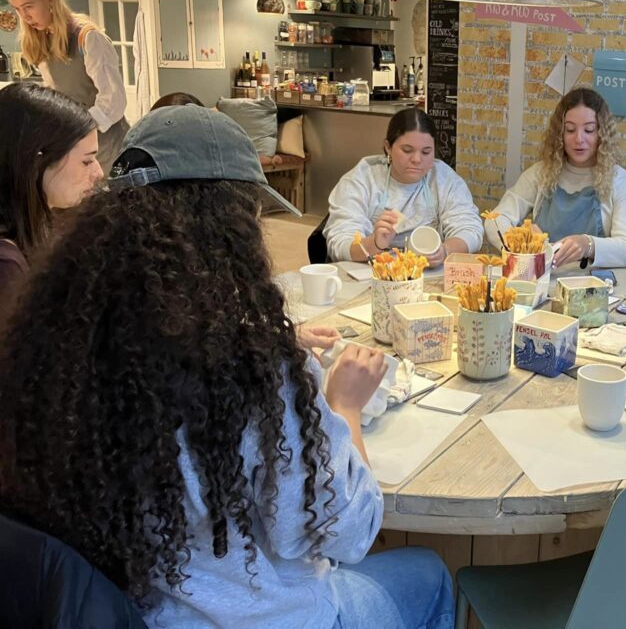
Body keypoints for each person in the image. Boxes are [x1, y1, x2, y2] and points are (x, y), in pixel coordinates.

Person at [0, 105, 454, 628]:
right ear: (231, 226)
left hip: (144, 614)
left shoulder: (60, 340)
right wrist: (344, 407)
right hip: (262, 618)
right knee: (429, 572)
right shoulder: (250, 367)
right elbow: (347, 533)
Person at [484, 87, 626, 268]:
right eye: (570, 130)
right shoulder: (541, 174)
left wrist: (587, 245)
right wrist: (519, 240)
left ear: (602, 134)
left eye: (589, 130)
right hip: (543, 279)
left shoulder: (622, 182)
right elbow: (494, 220)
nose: (579, 139)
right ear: (560, 133)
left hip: (594, 285)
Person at [4, 0, 129, 172]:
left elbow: (114, 100)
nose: (24, 16)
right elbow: (56, 93)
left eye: (29, 6)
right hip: (73, 145)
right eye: (17, 9)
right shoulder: (43, 40)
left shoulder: (88, 38)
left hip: (105, 149)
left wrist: (76, 127)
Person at [322, 108, 482, 265]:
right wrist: (375, 243)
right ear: (388, 147)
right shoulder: (362, 179)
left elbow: (470, 229)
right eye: (407, 150)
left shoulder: (444, 179)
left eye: (426, 152)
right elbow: (339, 243)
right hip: (370, 274)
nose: (417, 159)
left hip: (428, 275)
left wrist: (445, 251)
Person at [0, 82, 103, 293]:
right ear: (38, 162)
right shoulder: (6, 267)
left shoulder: (43, 226)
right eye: (86, 161)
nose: (99, 173)